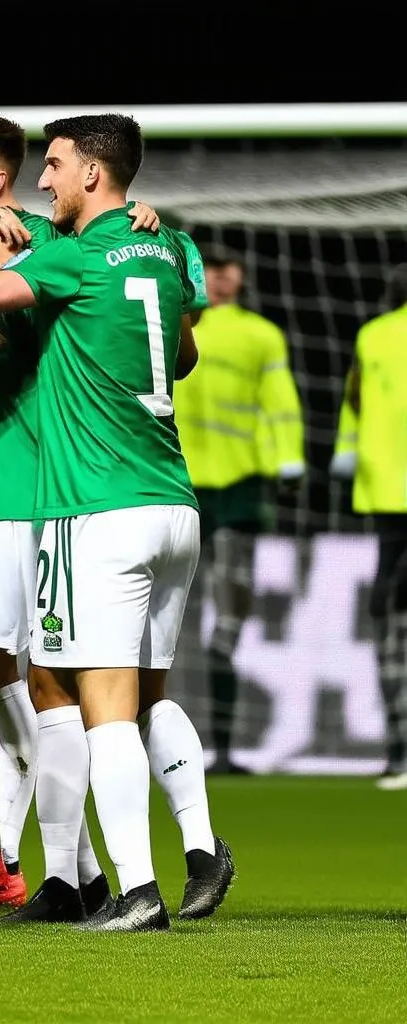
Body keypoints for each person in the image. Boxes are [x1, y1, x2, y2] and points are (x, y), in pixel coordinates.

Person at [0, 113, 234, 932]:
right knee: (147, 692)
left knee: (92, 701)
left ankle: (134, 890)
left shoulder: (63, 254)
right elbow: (179, 351)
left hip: (90, 503)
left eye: (56, 164)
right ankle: (193, 847)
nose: (47, 178)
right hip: (172, 500)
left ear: (89, 176)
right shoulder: (161, 248)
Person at [172, 244, 305, 774]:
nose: (224, 279)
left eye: (231, 270)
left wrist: (288, 461)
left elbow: (280, 400)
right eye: (214, 270)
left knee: (227, 619)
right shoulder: (174, 320)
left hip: (239, 487)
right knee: (175, 617)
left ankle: (224, 748)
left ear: (243, 276)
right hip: (178, 481)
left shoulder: (262, 334)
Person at [331, 264, 407, 791]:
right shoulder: (375, 335)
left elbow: (353, 403)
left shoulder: (372, 335)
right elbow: (357, 403)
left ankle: (400, 751)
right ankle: (401, 751)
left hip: (385, 495)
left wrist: (346, 452)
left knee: (386, 616)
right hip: (388, 497)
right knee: (388, 615)